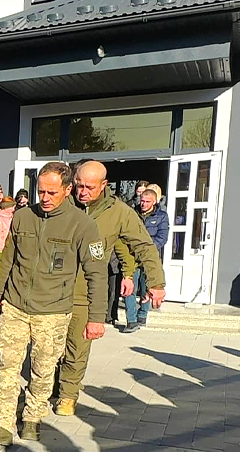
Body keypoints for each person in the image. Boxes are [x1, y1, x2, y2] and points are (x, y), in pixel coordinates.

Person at [0, 162, 107, 445]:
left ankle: (33, 419)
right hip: (15, 305)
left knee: (43, 369)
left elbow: (97, 273)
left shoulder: (83, 225)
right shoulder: (23, 217)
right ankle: (3, 424)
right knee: (7, 365)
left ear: (68, 190)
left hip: (53, 311)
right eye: (41, 191)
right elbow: (7, 261)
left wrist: (97, 317)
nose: (45, 198)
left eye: (51, 192)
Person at [55, 160, 165, 417]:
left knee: (78, 344)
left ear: (104, 185)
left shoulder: (119, 212)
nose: (83, 192)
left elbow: (143, 246)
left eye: (90, 187)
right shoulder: (63, 201)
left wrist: (155, 282)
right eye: (79, 185)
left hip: (88, 288)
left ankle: (68, 393)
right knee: (50, 344)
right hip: (54, 286)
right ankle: (51, 383)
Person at [124, 187, 171, 330]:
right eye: (142, 201)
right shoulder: (132, 213)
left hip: (150, 258)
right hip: (133, 256)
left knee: (146, 289)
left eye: (147, 201)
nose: (143, 204)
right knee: (129, 288)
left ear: (154, 201)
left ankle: (142, 315)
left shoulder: (161, 216)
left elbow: (162, 238)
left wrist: (147, 250)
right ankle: (131, 321)